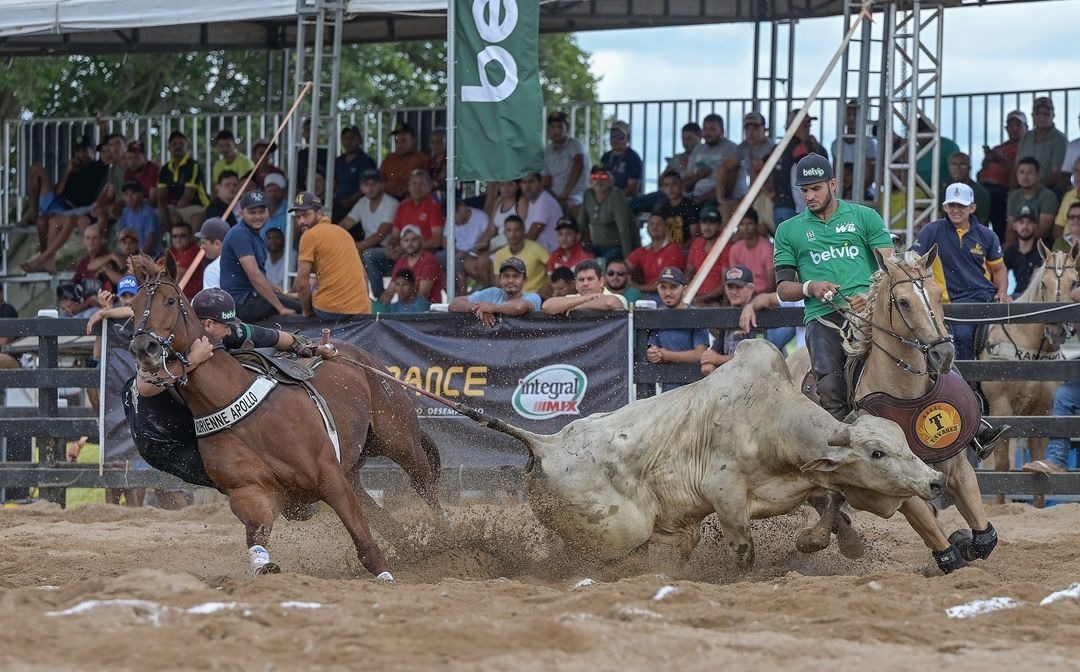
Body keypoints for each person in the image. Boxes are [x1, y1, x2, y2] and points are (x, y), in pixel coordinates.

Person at [123, 288, 335, 495]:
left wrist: (311, 347)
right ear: (207, 324)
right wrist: (192, 361)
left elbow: (272, 336)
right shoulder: (169, 341)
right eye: (226, 326)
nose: (230, 330)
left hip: (193, 422)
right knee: (236, 476)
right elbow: (145, 386)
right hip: (161, 438)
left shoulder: (225, 331)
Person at [773, 153, 894, 421]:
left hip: (871, 311)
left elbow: (891, 268)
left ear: (833, 184)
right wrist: (810, 287)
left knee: (925, 342)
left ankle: (975, 425)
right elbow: (783, 289)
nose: (809, 196)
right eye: (804, 191)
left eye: (815, 188)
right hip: (823, 317)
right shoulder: (788, 230)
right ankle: (842, 433)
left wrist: (870, 296)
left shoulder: (865, 216)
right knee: (829, 382)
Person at [912, 182, 1010, 362]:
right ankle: (968, 384)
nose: (956, 210)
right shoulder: (931, 231)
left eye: (961, 205)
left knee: (1013, 331)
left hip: (985, 296)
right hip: (950, 301)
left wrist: (1002, 291)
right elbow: (914, 262)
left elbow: (999, 268)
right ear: (945, 207)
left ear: (972, 208)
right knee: (963, 336)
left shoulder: (987, 235)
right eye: (952, 205)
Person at [21, 135, 109, 273]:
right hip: (58, 203)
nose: (82, 154)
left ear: (93, 151)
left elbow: (106, 148)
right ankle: (32, 211)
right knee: (36, 168)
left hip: (75, 210)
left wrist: (105, 129)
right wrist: (68, 172)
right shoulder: (74, 167)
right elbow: (57, 192)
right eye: (79, 151)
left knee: (42, 222)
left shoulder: (99, 167)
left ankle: (45, 259)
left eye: (86, 150)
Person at [219, 190, 300, 322]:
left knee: (295, 304)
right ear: (241, 213)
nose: (257, 216)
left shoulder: (259, 233)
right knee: (298, 310)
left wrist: (287, 294)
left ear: (268, 212)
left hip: (251, 298)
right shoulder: (240, 234)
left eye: (261, 212)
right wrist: (280, 308)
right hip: (239, 305)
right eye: (252, 212)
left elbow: (262, 276)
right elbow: (255, 277)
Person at [291, 191, 371, 319]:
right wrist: (365, 311)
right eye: (297, 217)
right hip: (362, 310)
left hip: (331, 311)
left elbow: (301, 284)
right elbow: (363, 275)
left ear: (320, 213)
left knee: (296, 298)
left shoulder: (309, 235)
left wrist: (306, 312)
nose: (301, 221)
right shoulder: (343, 232)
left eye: (306, 215)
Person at [646, 267, 709, 392]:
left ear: (684, 289)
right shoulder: (656, 316)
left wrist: (666, 355)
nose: (668, 292)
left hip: (694, 388)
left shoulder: (696, 315)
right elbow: (653, 349)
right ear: (657, 288)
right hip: (667, 389)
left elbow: (700, 354)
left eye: (673, 287)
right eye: (663, 287)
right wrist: (651, 354)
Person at [339, 168, 398, 294]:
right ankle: (354, 294)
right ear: (361, 187)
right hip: (369, 247)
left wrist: (355, 246)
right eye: (366, 184)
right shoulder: (362, 203)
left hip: (388, 251)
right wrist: (332, 236)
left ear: (382, 185)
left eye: (374, 184)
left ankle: (378, 296)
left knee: (367, 254)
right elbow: (345, 223)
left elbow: (381, 235)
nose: (370, 188)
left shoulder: (391, 203)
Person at [700, 265, 761, 375]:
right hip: (730, 378)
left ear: (751, 289)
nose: (733, 292)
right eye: (730, 287)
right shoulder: (727, 315)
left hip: (752, 378)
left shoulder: (758, 314)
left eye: (738, 287)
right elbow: (717, 346)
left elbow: (754, 356)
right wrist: (707, 360)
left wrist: (718, 359)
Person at [772, 110, 829, 225]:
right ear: (793, 126)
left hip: (780, 206)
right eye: (804, 124)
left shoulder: (777, 148)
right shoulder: (800, 149)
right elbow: (801, 181)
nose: (807, 127)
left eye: (808, 124)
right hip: (797, 208)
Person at [449, 257, 542, 327]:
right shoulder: (492, 292)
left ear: (524, 280)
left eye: (516, 276)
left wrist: (493, 308)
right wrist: (479, 308)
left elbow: (519, 307)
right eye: (506, 276)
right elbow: (454, 304)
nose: (510, 280)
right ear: (500, 278)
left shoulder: (533, 297)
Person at [978, 110, 1027, 242]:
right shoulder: (999, 147)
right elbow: (983, 168)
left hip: (1002, 189)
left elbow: (1019, 169)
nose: (1014, 129)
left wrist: (999, 159)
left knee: (996, 208)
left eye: (1018, 125)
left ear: (1025, 127)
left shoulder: (1026, 146)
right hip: (983, 186)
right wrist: (988, 159)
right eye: (1011, 126)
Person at [579, 164, 637, 262]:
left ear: (611, 179)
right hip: (596, 247)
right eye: (595, 177)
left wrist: (628, 258)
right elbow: (581, 224)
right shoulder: (588, 194)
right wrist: (584, 246)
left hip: (615, 247)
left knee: (600, 264)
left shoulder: (616, 195)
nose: (599, 181)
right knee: (582, 261)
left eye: (603, 176)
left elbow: (624, 229)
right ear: (590, 180)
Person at [683, 113, 740, 208]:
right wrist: (698, 176)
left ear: (722, 131)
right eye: (705, 129)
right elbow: (686, 185)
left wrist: (699, 200)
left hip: (720, 199)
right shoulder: (698, 150)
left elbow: (727, 189)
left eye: (712, 129)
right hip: (696, 197)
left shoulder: (732, 150)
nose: (707, 133)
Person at [442, 200, 496, 295]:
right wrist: (453, 252)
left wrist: (473, 250)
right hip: (455, 251)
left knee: (457, 262)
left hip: (475, 252)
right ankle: (451, 294)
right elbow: (445, 242)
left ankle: (463, 298)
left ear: (461, 209)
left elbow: (487, 240)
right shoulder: (450, 217)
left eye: (455, 217)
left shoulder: (481, 217)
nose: (454, 221)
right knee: (437, 259)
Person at [156, 131, 209, 227]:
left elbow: (188, 196)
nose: (178, 147)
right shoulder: (165, 169)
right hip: (177, 207)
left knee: (174, 217)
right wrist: (164, 217)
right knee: (157, 216)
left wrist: (171, 214)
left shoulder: (192, 165)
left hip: (198, 206)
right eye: (174, 144)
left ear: (186, 147)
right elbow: (160, 197)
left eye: (181, 144)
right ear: (169, 148)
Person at [387, 169, 444, 258]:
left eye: (422, 184)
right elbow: (395, 236)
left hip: (426, 251)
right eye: (414, 184)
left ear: (429, 187)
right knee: (373, 255)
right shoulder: (402, 206)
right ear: (408, 187)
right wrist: (391, 248)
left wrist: (410, 250)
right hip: (403, 251)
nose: (417, 188)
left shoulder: (433, 205)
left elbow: (437, 240)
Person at [382, 225, 445, 305]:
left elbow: (422, 295)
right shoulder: (402, 261)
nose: (410, 244)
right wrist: (380, 306)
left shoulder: (429, 260)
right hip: (407, 311)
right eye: (406, 240)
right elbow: (389, 292)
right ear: (401, 243)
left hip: (428, 312)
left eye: (413, 240)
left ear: (421, 240)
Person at [627, 213, 687, 296]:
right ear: (647, 228)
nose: (654, 227)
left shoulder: (673, 250)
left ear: (666, 228)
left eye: (658, 224)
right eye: (651, 224)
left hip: (666, 295)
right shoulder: (643, 250)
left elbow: (665, 284)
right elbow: (624, 266)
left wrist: (636, 287)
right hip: (646, 294)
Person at [542, 111, 591, 212]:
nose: (556, 130)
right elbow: (546, 181)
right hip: (556, 196)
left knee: (560, 207)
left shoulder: (575, 145)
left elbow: (579, 164)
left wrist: (565, 193)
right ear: (548, 130)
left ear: (567, 128)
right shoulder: (548, 151)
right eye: (552, 127)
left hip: (576, 196)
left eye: (560, 126)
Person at [1017, 97, 1067, 192]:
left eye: (1046, 114)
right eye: (1038, 113)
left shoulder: (1060, 140)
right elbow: (1016, 168)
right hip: (1024, 190)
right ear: (1032, 116)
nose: (1042, 117)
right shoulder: (1026, 138)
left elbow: (1056, 175)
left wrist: (1033, 189)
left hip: (1048, 190)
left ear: (1053, 115)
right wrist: (1012, 189)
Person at [831, 100, 878, 202]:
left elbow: (870, 176)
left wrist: (854, 191)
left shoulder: (869, 143)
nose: (851, 118)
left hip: (865, 193)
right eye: (848, 114)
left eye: (855, 114)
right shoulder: (836, 144)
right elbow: (835, 174)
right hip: (841, 192)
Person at [1006, 157, 1060, 245]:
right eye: (1021, 172)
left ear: (1038, 175)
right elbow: (1010, 228)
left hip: (1042, 244)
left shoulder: (1048, 196)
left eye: (1030, 172)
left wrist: (1023, 246)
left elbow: (1042, 230)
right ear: (1017, 175)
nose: (1025, 176)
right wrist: (1009, 246)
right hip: (1019, 243)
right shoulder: (1013, 196)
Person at [684, 204, 731, 306]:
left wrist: (700, 299)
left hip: (715, 301)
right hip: (694, 299)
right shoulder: (696, 243)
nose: (707, 226)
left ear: (719, 226)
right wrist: (688, 293)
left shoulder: (725, 245)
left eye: (712, 222)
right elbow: (689, 271)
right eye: (704, 222)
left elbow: (725, 284)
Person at [542, 259, 628, 314]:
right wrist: (586, 298)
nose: (585, 283)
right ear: (576, 284)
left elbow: (610, 303)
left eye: (590, 279)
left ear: (601, 281)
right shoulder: (573, 298)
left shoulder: (618, 297)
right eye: (581, 280)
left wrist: (579, 307)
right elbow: (547, 306)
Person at [492, 215, 549, 296]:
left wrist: (542, 292)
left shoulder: (536, 248)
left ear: (523, 231)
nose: (513, 234)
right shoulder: (500, 254)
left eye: (517, 230)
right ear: (504, 232)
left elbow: (552, 271)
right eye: (509, 230)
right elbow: (498, 284)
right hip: (510, 297)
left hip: (534, 296)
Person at [333, 125, 378, 221]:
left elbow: (369, 185)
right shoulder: (338, 161)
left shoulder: (367, 161)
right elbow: (334, 181)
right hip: (338, 205)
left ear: (359, 140)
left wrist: (350, 200)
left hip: (359, 206)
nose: (349, 141)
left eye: (352, 138)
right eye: (345, 138)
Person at [727, 208, 774, 294]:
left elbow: (771, 284)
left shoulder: (767, 248)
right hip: (742, 296)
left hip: (763, 296)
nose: (745, 228)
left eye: (749, 224)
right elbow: (733, 279)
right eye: (741, 224)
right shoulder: (735, 249)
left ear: (756, 225)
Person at [380, 121, 430, 201]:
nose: (399, 145)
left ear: (413, 140)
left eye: (404, 141)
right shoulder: (389, 159)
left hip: (412, 200)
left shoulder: (422, 159)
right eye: (396, 141)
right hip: (387, 201)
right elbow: (379, 180)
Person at [1003, 207, 1044, 297]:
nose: (1025, 226)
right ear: (1014, 226)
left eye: (1029, 222)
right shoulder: (1010, 252)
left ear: (1035, 226)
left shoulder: (1042, 251)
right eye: (1021, 222)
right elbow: (1000, 274)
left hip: (1038, 297)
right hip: (1017, 296)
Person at [518, 171, 562, 252]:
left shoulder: (544, 201)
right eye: (524, 182)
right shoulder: (531, 202)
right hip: (536, 250)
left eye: (531, 181)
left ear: (540, 183)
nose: (528, 186)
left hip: (549, 253)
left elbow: (533, 234)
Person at [653, 170, 700, 246]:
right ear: (663, 189)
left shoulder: (689, 206)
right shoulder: (661, 207)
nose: (670, 188)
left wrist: (679, 251)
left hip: (686, 251)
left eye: (674, 184)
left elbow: (695, 236)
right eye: (667, 185)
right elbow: (656, 234)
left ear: (681, 185)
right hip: (666, 252)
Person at [116, 180, 161, 257]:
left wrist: (136, 261)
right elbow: (122, 238)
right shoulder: (125, 211)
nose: (129, 198)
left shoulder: (148, 213)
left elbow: (149, 246)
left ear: (141, 194)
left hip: (150, 257)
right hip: (131, 255)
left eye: (134, 193)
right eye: (126, 194)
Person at [599, 121, 642, 199]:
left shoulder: (633, 158)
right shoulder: (605, 157)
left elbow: (632, 190)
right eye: (613, 136)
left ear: (628, 138)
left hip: (626, 200)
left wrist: (611, 195)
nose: (615, 139)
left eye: (620, 136)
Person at [946, 152, 991, 225]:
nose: (957, 168)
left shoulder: (979, 192)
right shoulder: (944, 191)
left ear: (969, 168)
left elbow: (981, 222)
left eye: (962, 164)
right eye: (953, 164)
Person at [167, 221, 202, 299]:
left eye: (182, 236)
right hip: (176, 297)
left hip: (191, 299)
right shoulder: (172, 251)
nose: (178, 239)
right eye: (175, 236)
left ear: (191, 237)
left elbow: (174, 277)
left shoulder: (194, 251)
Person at [195, 217, 229, 290]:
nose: (201, 247)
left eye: (204, 243)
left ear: (217, 244)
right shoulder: (245, 259)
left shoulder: (212, 269)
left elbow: (211, 301)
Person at [1054, 157, 1080, 237]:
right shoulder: (1068, 196)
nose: (1078, 176)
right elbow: (1059, 226)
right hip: (1068, 246)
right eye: (1076, 171)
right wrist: (1062, 245)